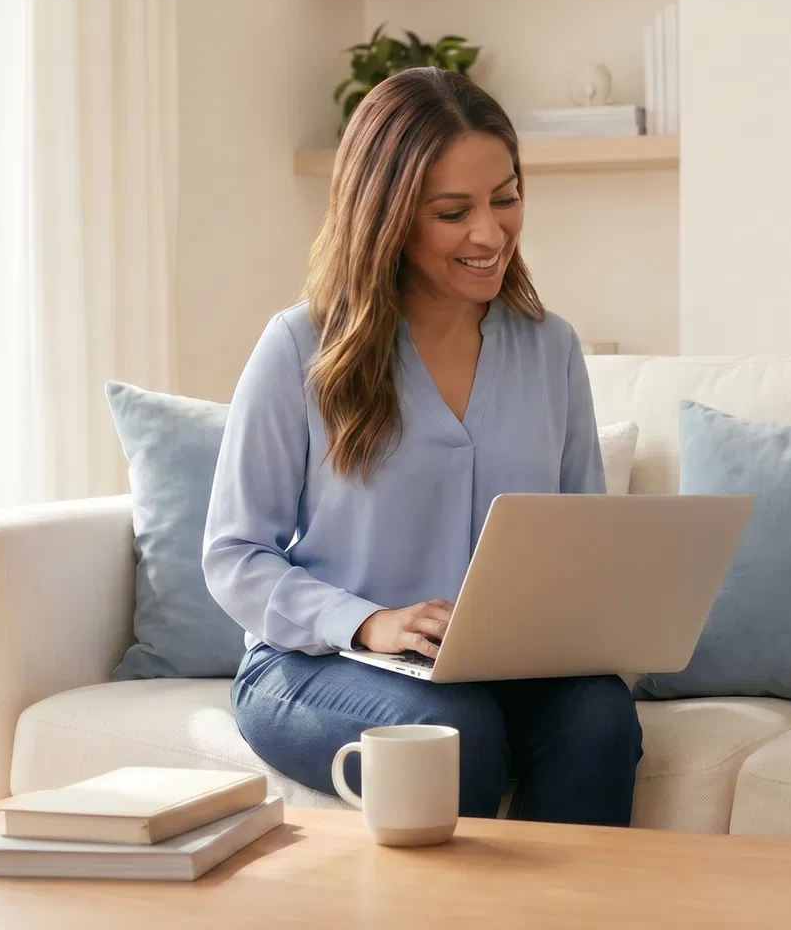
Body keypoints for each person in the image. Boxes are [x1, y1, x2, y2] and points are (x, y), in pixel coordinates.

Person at [203, 67, 641, 825]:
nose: (490, 232)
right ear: (389, 215)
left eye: (506, 198)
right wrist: (369, 622)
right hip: (315, 663)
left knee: (599, 719)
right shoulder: (300, 348)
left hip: (499, 669)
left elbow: (582, 545)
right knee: (453, 732)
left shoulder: (551, 350)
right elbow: (235, 556)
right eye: (452, 211)